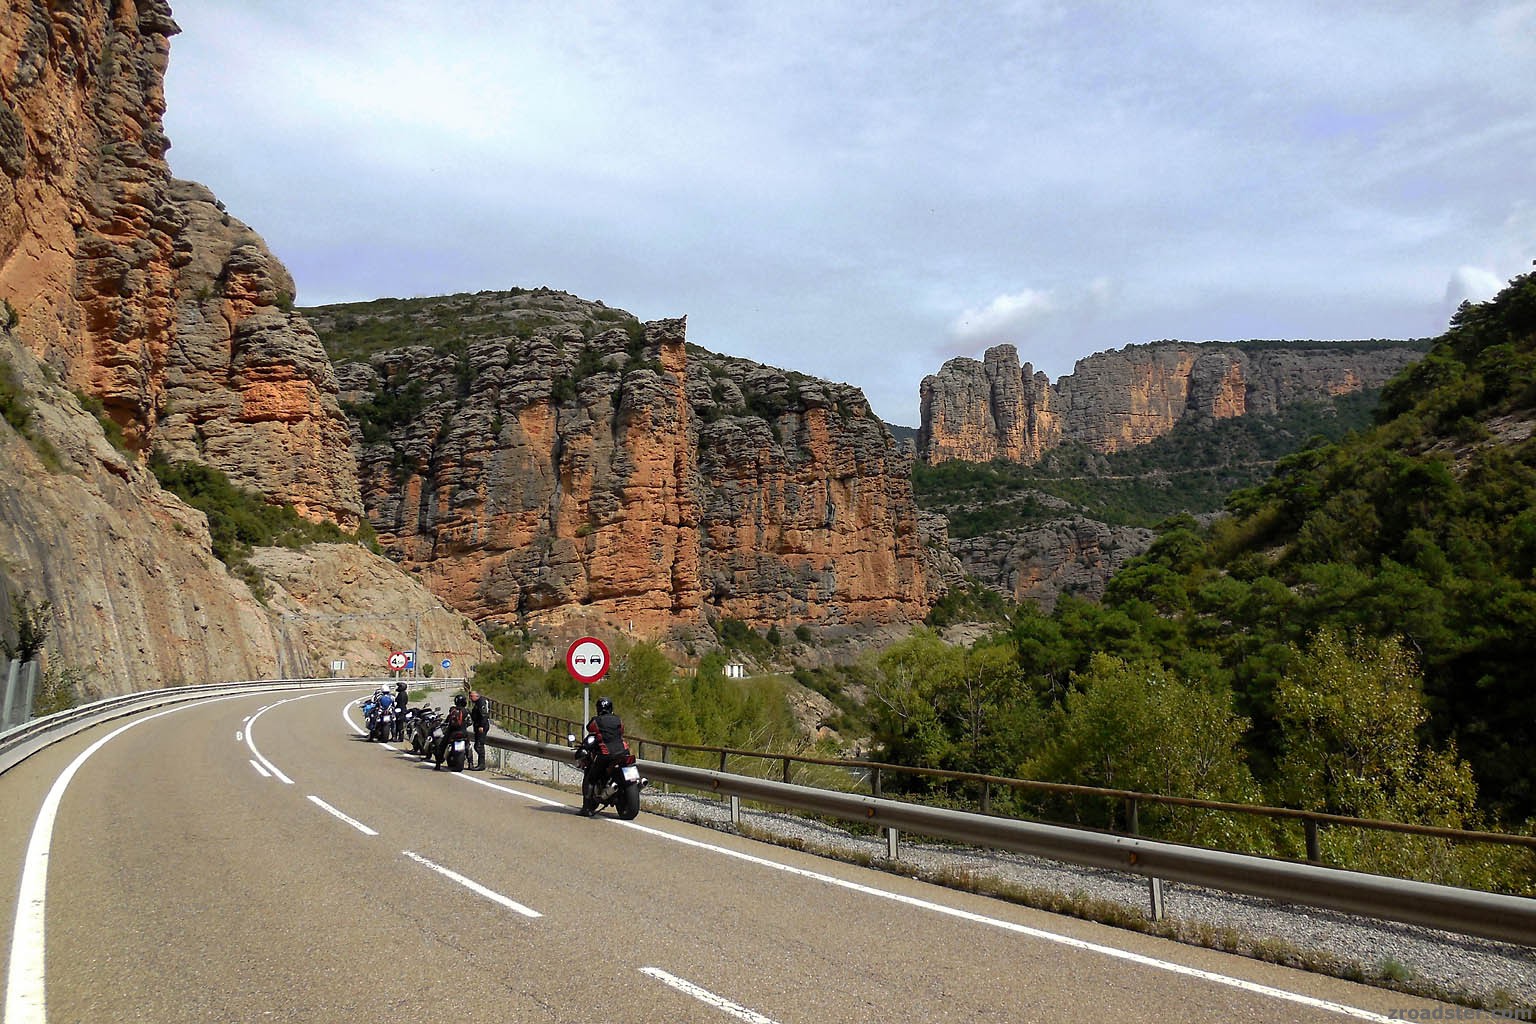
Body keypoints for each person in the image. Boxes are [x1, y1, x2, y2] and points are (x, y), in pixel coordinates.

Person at [578, 696, 630, 815]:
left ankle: (586, 808)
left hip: (606, 754)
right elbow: (621, 730)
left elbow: (589, 727)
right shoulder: (618, 719)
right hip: (624, 751)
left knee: (591, 778)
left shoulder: (597, 720)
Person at [434, 693, 469, 770]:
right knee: (468, 746)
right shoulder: (466, 711)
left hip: (452, 732)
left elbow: (448, 720)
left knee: (441, 746)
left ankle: (438, 764)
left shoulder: (453, 710)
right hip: (463, 732)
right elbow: (470, 722)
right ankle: (471, 763)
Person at [468, 689, 490, 771]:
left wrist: (481, 726)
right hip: (478, 725)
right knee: (477, 745)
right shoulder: (478, 702)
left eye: (471, 696)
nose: (470, 698)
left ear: (477, 696)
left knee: (479, 745)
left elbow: (484, 714)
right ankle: (480, 764)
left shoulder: (481, 702)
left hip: (482, 726)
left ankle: (481, 764)